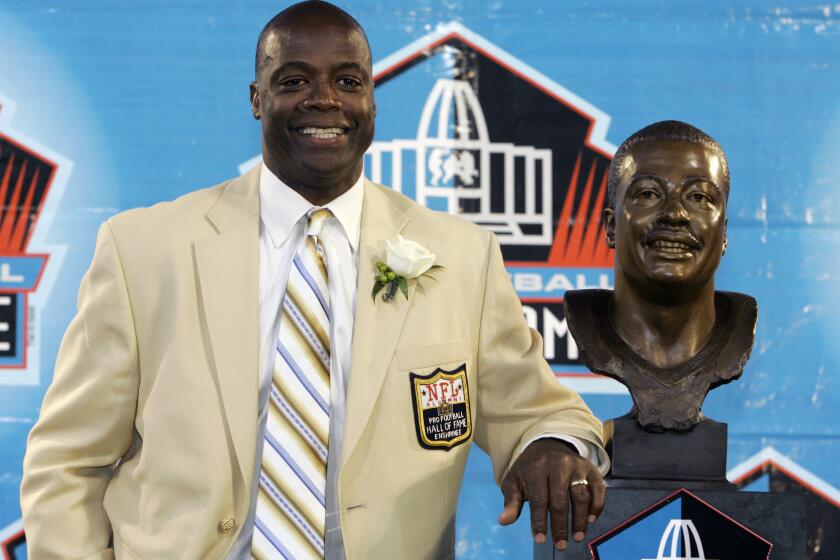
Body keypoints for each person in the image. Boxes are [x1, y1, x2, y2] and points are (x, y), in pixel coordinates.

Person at [21, 2, 608, 558]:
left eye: (348, 82)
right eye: (294, 80)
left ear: (374, 101)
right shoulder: (144, 250)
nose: (324, 100)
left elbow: (538, 410)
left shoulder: (460, 255)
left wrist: (550, 445)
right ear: (257, 98)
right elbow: (67, 462)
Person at [565, 120, 757, 432]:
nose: (675, 214)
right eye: (649, 194)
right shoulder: (586, 320)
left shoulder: (739, 327)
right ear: (611, 226)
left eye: (698, 197)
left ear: (723, 232)